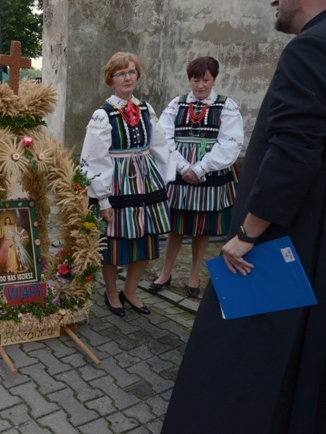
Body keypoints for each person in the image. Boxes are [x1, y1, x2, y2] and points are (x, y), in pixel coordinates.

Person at [162, 1, 326, 432]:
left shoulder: (310, 48)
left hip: (282, 238)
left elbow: (293, 150)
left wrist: (249, 233)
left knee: (242, 353)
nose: (271, 1)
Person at [80, 52, 174, 317]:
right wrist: (103, 199)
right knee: (113, 242)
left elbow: (160, 147)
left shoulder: (146, 109)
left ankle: (130, 291)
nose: (128, 77)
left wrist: (164, 181)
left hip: (147, 183)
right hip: (117, 184)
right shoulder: (102, 115)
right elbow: (93, 159)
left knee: (146, 239)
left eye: (132, 72)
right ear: (111, 79)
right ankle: (111, 292)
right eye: (121, 73)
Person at [149, 57, 243, 297]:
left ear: (214, 79)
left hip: (211, 174)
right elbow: (163, 137)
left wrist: (200, 169)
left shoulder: (227, 106)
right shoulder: (176, 104)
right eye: (195, 80)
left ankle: (193, 275)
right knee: (176, 227)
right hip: (180, 173)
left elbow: (230, 144)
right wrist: (183, 168)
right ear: (189, 79)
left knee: (202, 228)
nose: (200, 85)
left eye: (205, 80)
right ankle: (165, 272)